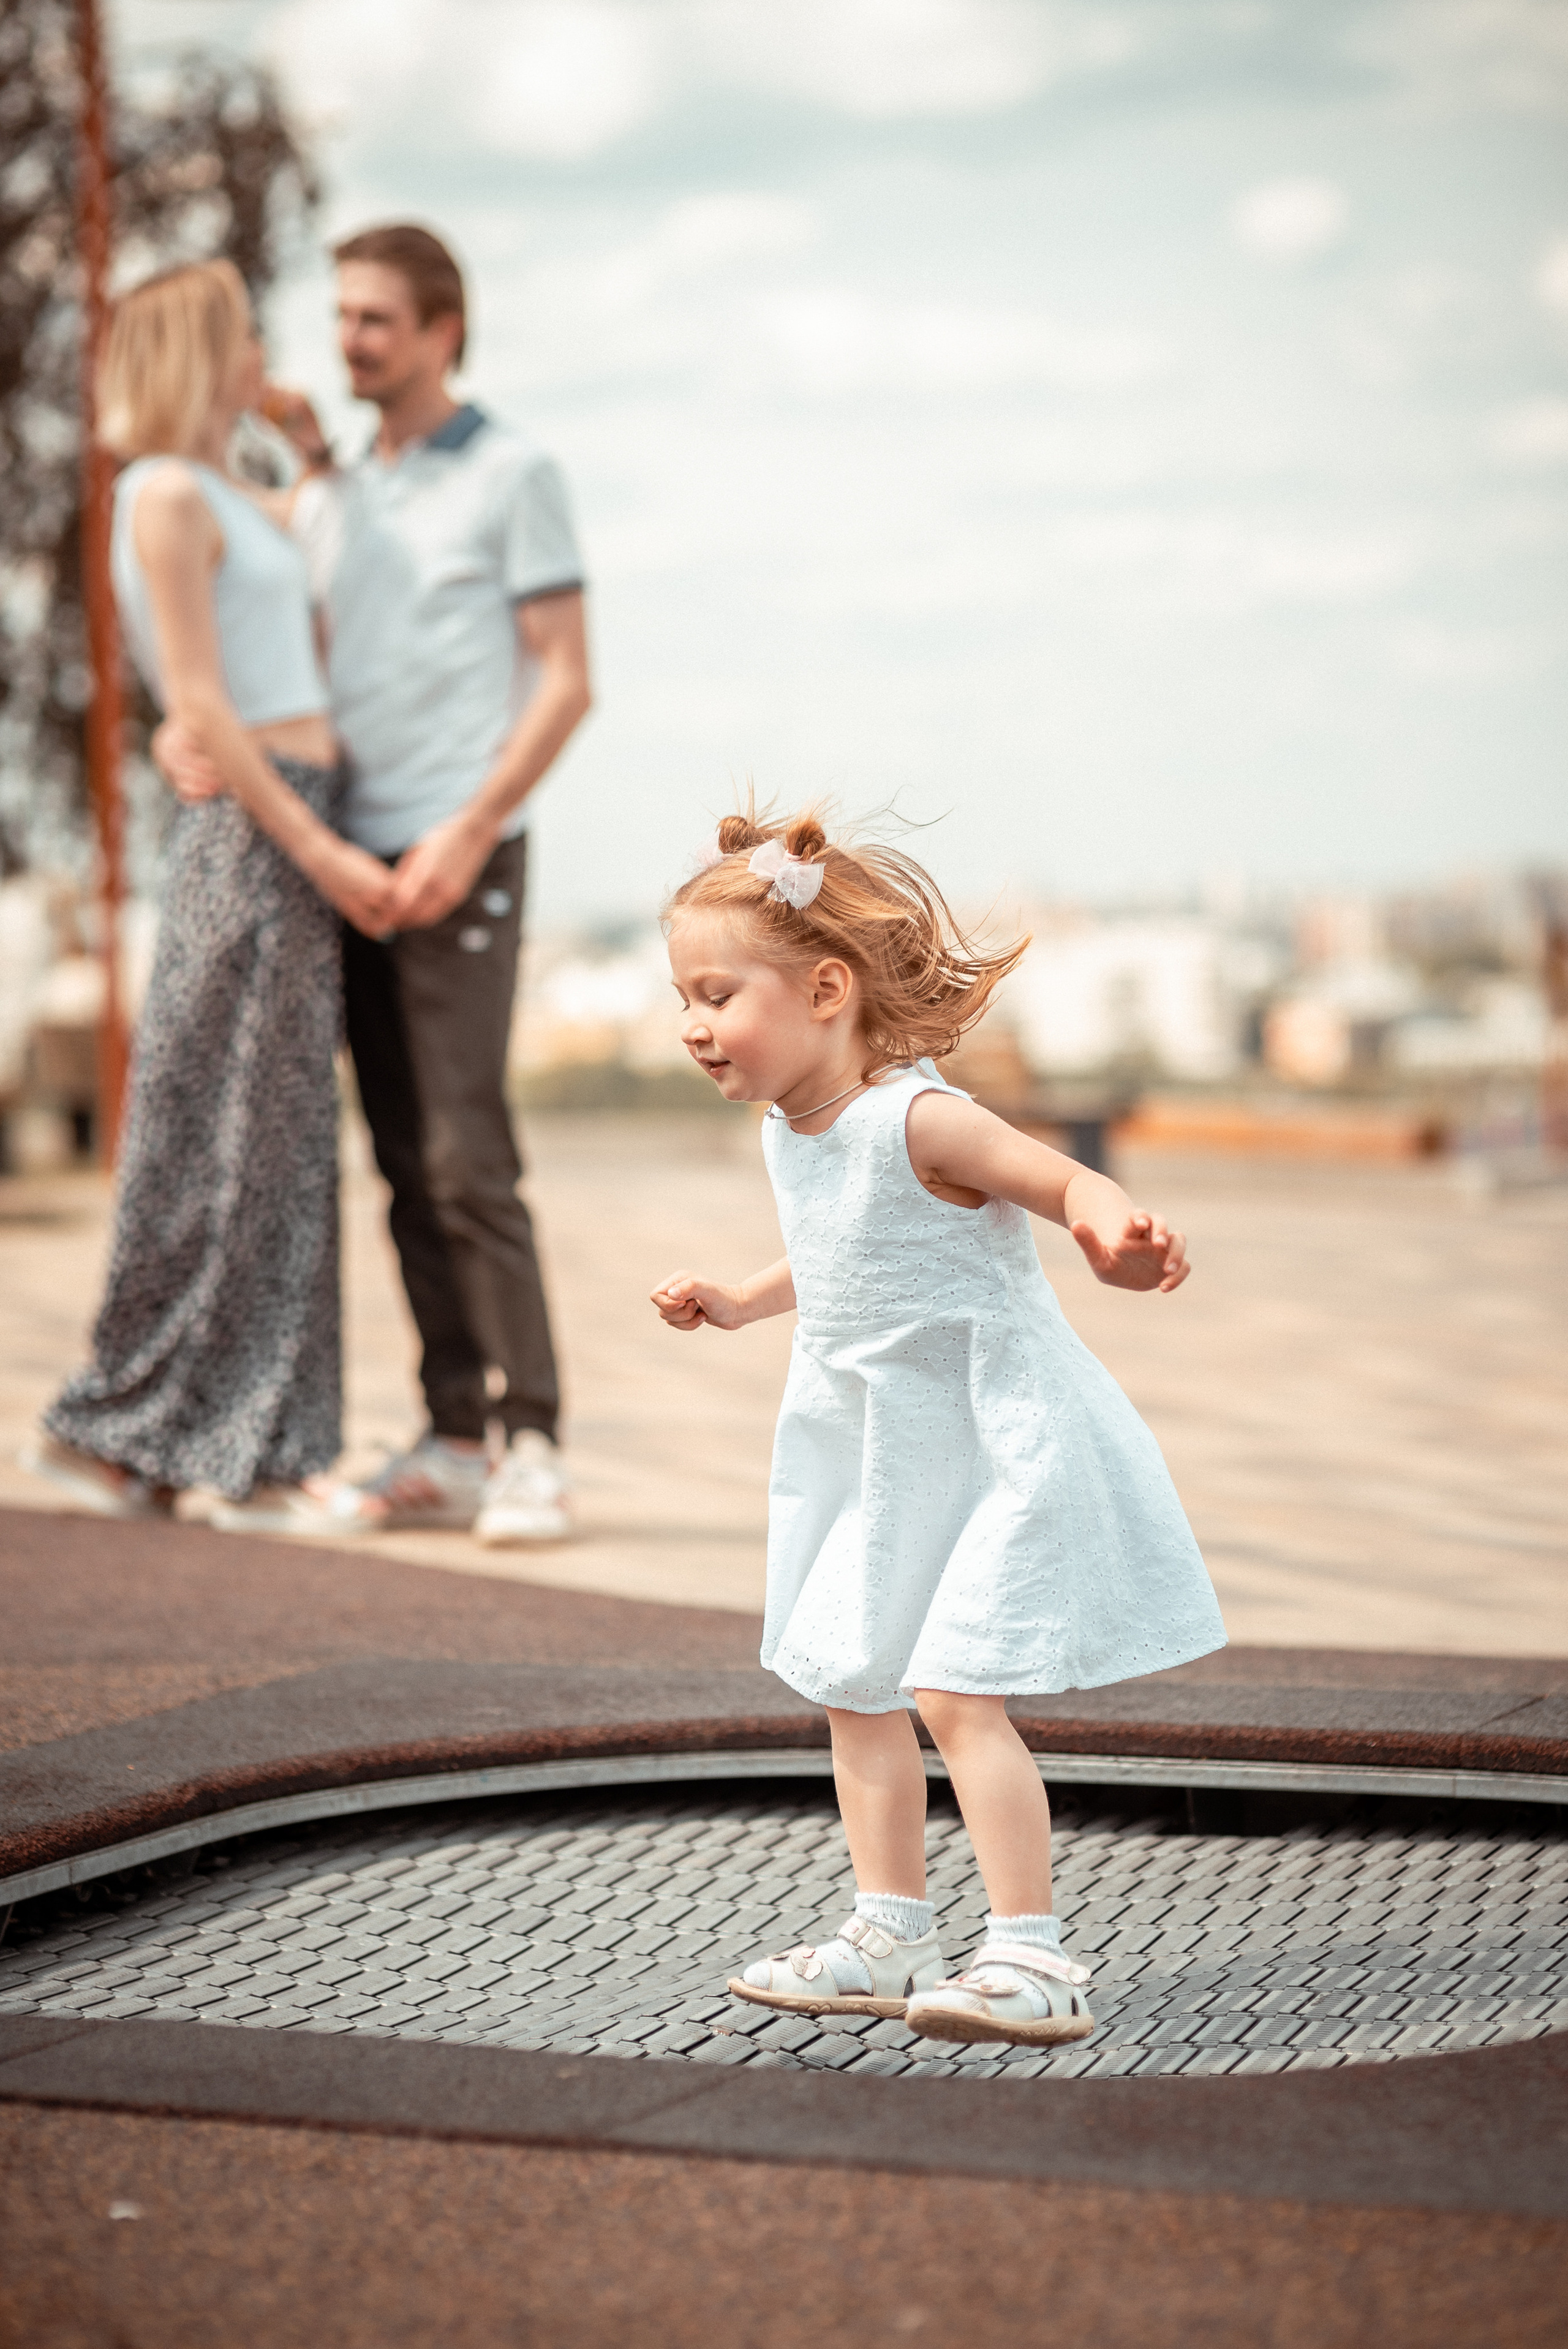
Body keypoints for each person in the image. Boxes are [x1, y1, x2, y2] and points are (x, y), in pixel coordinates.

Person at [650, 809, 1227, 2049]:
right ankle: (891, 1933)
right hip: (884, 1454)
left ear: (824, 990)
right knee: (853, 1684)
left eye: (716, 994)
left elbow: (1066, 1179)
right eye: (681, 997)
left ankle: (1033, 1956)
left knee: (955, 1690)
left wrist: (1112, 1236)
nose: (691, 1023)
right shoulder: (788, 1130)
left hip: (1002, 1443)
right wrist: (741, 1299)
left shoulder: (921, 1120)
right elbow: (842, 1249)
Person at [162, 225, 592, 1546]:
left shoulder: (513, 472)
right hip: (344, 860)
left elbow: (566, 679)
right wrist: (192, 729)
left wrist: (470, 830)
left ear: (441, 330)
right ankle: (454, 1437)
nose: (348, 340)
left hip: (458, 848)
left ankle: (532, 1442)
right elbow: (258, 637)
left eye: (376, 320)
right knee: (401, 1159)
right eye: (340, 315)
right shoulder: (334, 488)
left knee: (467, 1154)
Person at [25, 260, 396, 1531]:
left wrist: (309, 442)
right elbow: (198, 700)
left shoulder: (232, 489)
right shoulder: (166, 493)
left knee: (272, 1141)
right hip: (261, 825)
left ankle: (225, 1443)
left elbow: (333, 549)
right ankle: (223, 1452)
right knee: (232, 1136)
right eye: (243, 340)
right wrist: (322, 851)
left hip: (285, 809)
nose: (263, 359)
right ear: (198, 352)